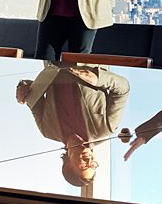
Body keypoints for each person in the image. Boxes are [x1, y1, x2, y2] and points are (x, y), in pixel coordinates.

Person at [16, 60, 128, 189]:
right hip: (88, 56)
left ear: (67, 165)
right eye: (92, 165)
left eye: (84, 166)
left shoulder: (47, 131)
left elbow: (32, 95)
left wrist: (22, 90)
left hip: (54, 59)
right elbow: (123, 89)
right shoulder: (106, 129)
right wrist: (98, 79)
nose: (89, 161)